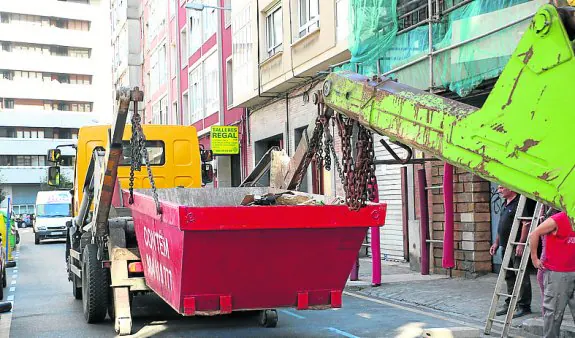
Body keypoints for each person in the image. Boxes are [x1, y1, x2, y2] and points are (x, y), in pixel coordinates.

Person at [489, 185, 535, 318]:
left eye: (502, 188)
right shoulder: (505, 203)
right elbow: (500, 225)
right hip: (505, 246)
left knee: (521, 276)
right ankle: (510, 304)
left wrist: (521, 243)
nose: (499, 190)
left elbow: (525, 224)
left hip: (516, 246)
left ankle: (524, 306)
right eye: (498, 188)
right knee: (509, 275)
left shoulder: (520, 203)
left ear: (512, 189)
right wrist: (496, 243)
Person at [529, 211, 575, 337]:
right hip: (557, 274)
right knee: (553, 315)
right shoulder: (559, 218)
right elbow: (534, 233)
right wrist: (534, 258)